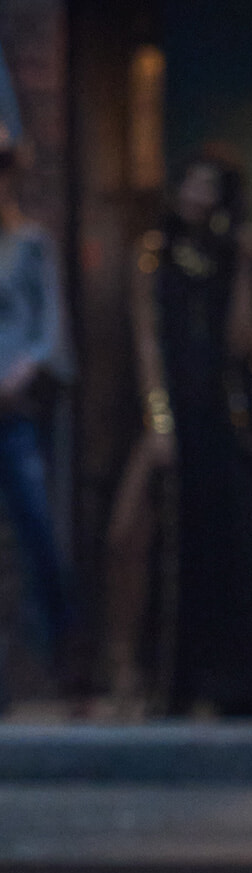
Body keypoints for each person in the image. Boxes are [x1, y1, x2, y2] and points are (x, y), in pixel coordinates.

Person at [107, 149, 252, 716]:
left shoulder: (233, 255)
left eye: (209, 188)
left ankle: (225, 681)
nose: (197, 197)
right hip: (172, 413)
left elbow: (245, 343)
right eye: (191, 184)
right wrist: (159, 421)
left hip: (224, 421)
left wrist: (244, 271)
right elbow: (147, 341)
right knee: (141, 533)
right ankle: (144, 674)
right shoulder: (154, 255)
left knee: (222, 543)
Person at [0, 130, 73, 709]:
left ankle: (65, 664)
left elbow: (50, 332)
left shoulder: (29, 242)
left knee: (37, 531)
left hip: (15, 410)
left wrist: (20, 375)